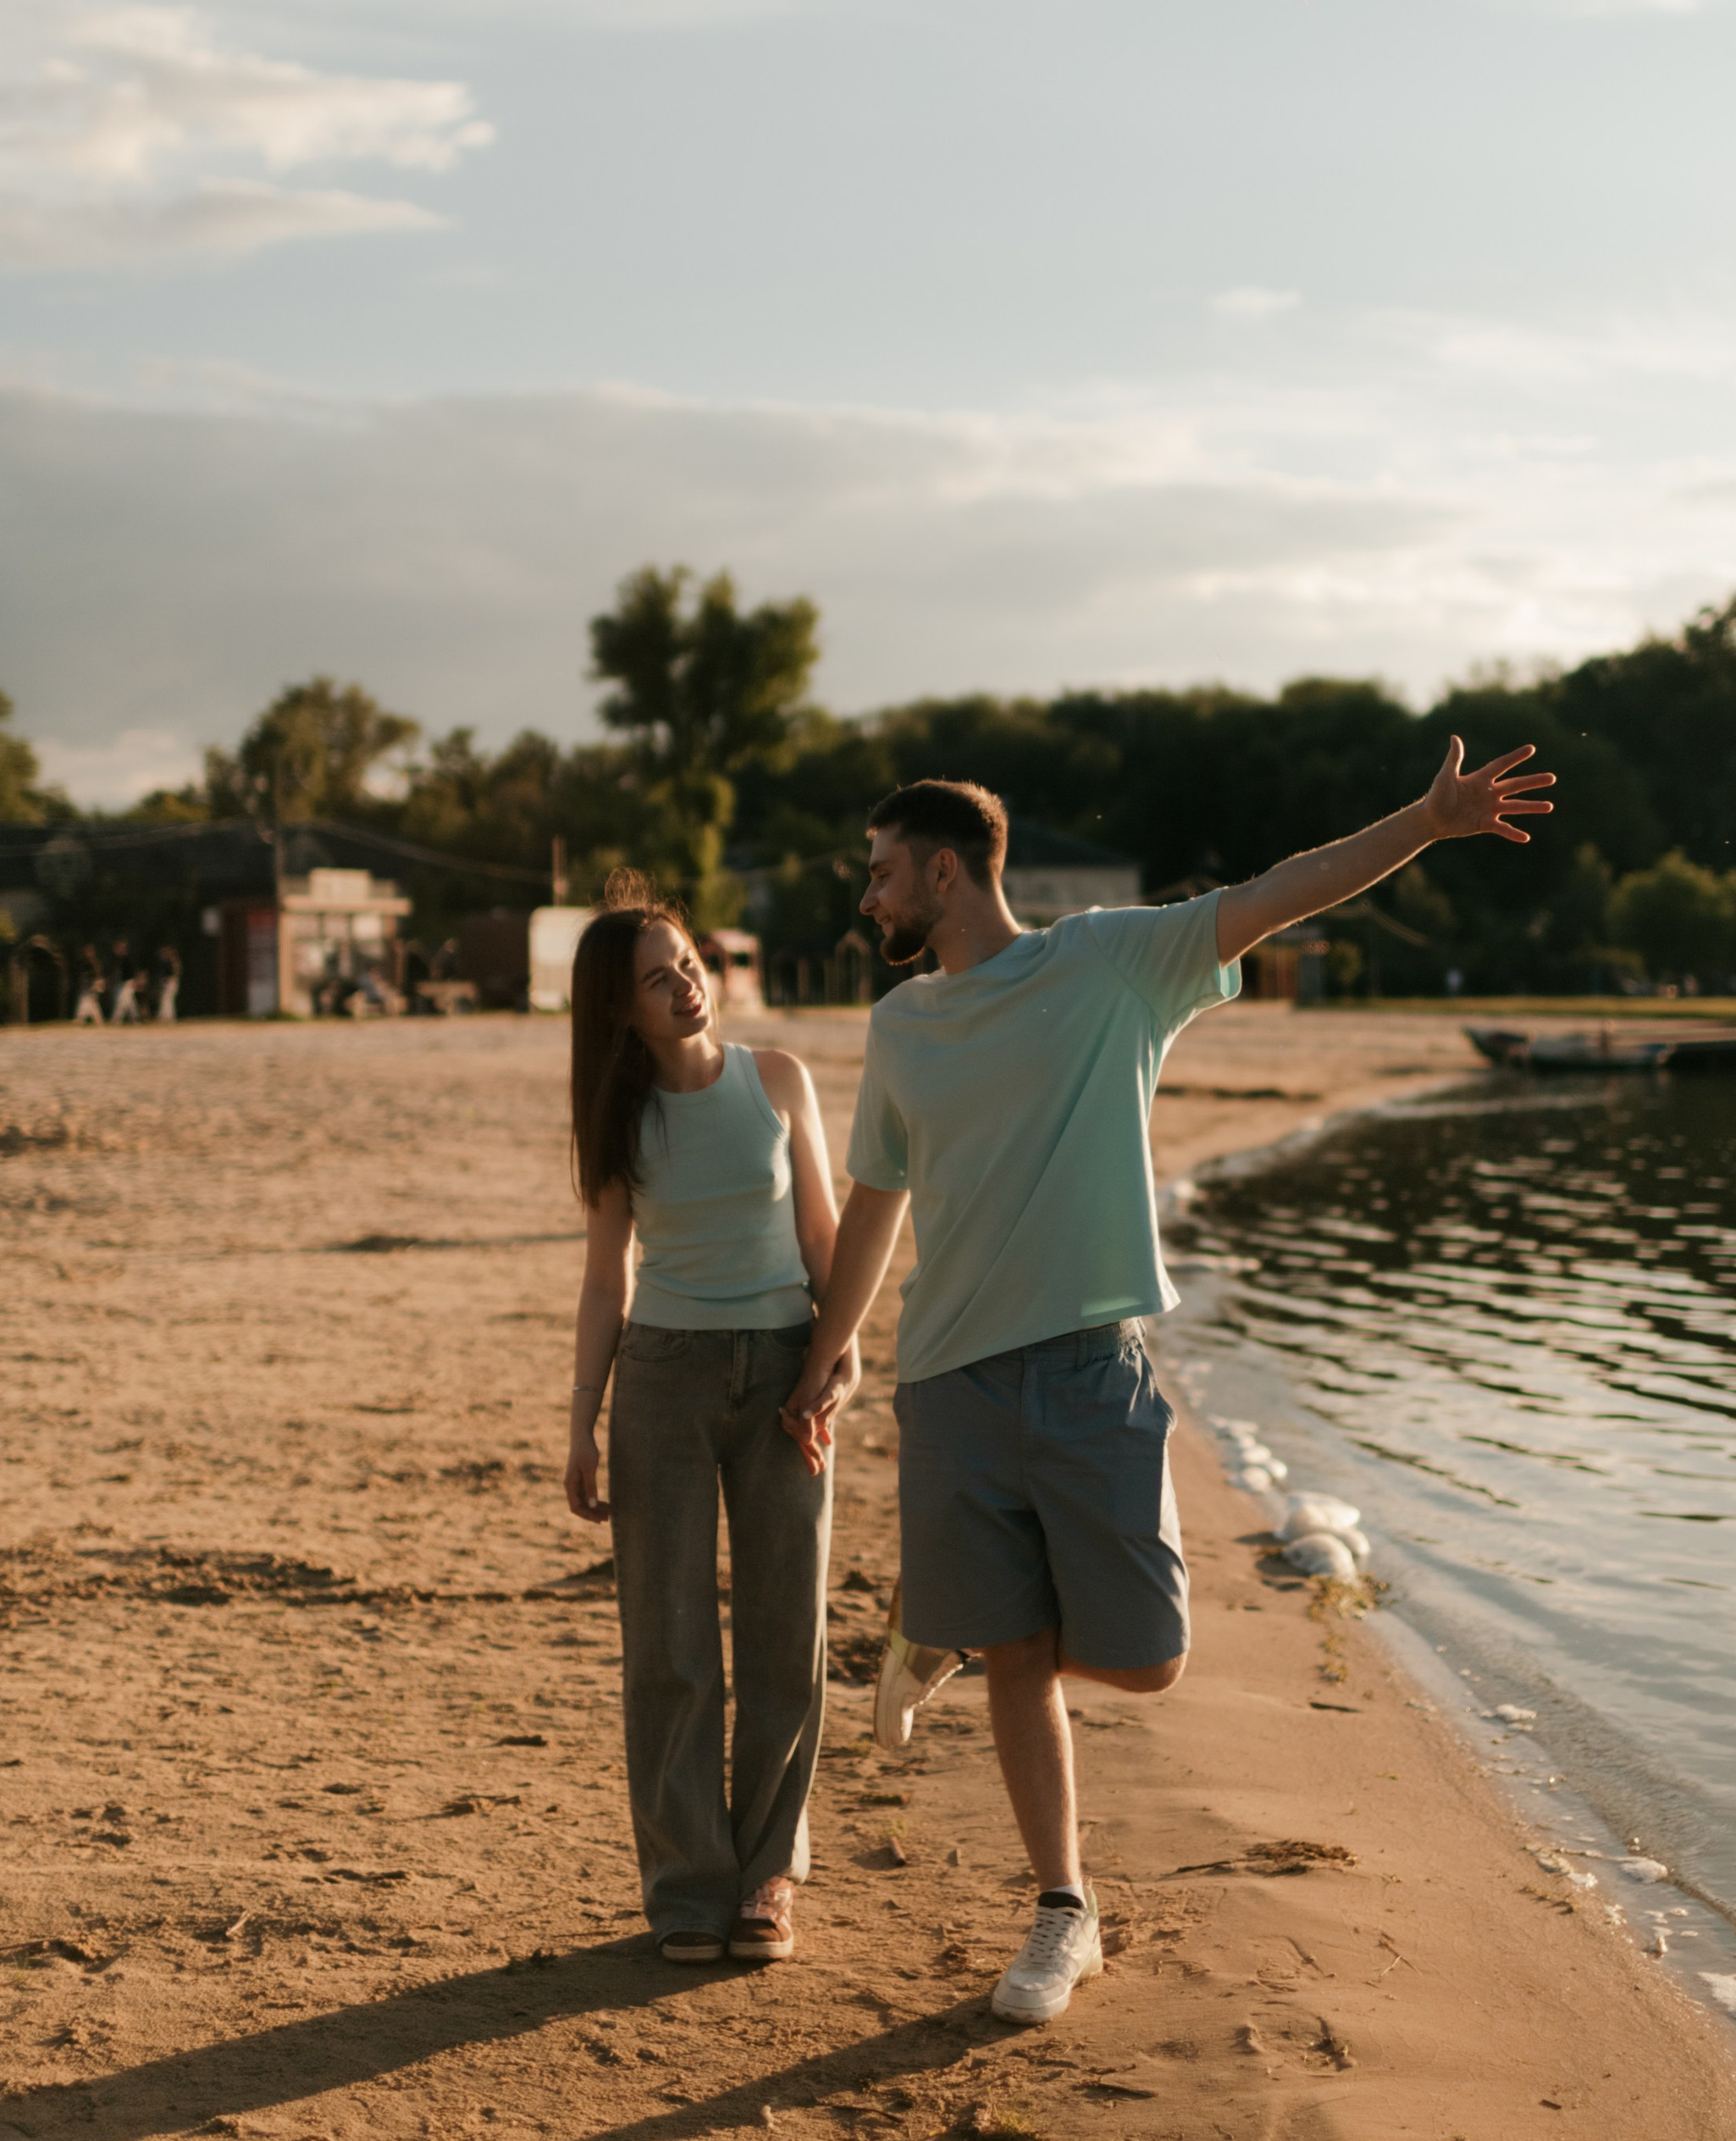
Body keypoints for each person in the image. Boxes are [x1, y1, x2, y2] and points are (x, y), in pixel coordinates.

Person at [784, 739, 1552, 2026]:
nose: (867, 899)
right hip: (954, 1382)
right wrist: (827, 1359)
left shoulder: (1109, 965)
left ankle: (951, 1624)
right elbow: (877, 1204)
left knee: (1149, 1663)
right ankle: (1061, 1913)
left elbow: (1280, 892)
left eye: (880, 874)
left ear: (945, 869)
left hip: (1093, 1371)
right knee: (1026, 1656)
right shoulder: (901, 1026)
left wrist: (1422, 821)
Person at [563, 878, 858, 1965]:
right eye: (657, 978)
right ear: (620, 1011)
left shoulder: (777, 1080)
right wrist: (581, 1424)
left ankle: (767, 1879)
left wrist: (839, 1358)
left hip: (784, 1371)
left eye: (687, 962)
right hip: (665, 1382)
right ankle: (689, 1888)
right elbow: (607, 1280)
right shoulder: (620, 1118)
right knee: (672, 1646)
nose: (685, 984)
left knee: (787, 1631)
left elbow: (825, 1241)